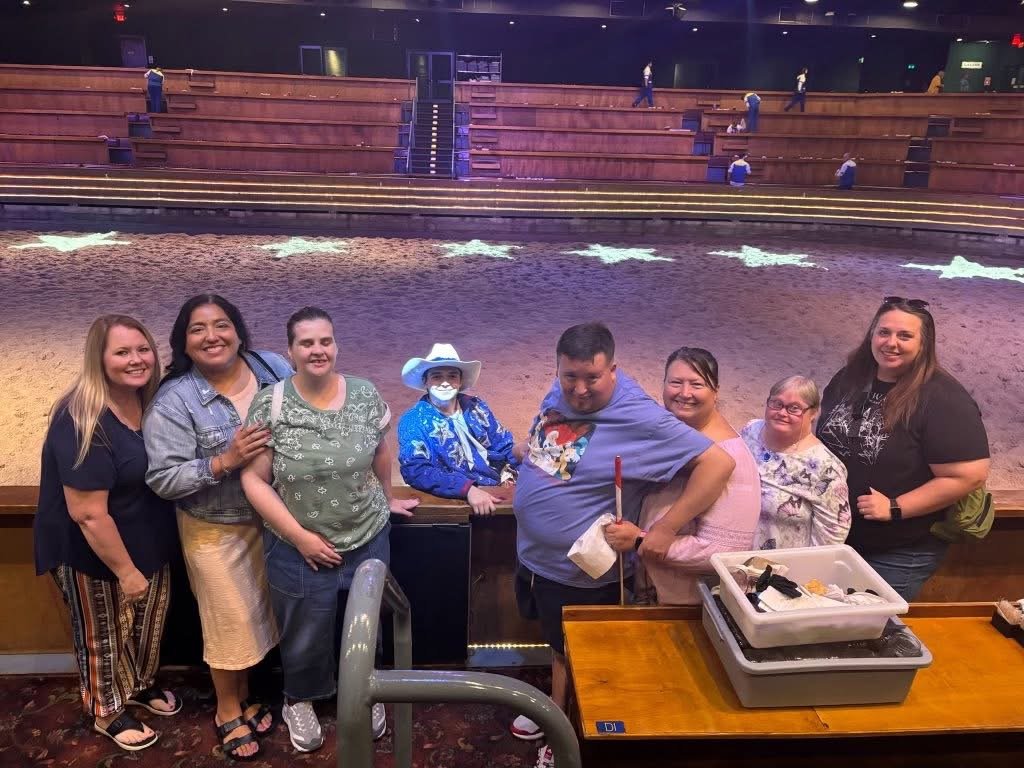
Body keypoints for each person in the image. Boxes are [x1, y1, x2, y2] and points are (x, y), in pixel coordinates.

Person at [510, 323, 735, 764]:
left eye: (591, 378)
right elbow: (556, 445)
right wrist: (526, 454)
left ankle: (565, 734)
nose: (578, 390)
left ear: (612, 369)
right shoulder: (561, 395)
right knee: (557, 646)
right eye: (568, 376)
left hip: (583, 569)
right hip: (535, 557)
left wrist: (666, 529)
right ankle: (557, 709)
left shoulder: (640, 418)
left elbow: (718, 463)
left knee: (575, 652)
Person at [241, 306, 419, 753]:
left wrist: (388, 494)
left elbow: (380, 450)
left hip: (368, 534)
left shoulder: (364, 394)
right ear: (291, 351)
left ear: (336, 345)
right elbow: (253, 480)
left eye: (325, 341)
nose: (317, 350)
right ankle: (299, 698)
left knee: (368, 622)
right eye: (307, 343)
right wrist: (300, 537)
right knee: (304, 626)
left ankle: (365, 689)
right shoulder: (272, 402)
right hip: (296, 543)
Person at [145, 294, 292, 761]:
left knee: (258, 616)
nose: (212, 336)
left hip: (276, 520)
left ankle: (247, 692)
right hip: (215, 527)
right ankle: (228, 707)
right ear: (184, 343)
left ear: (240, 331)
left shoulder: (271, 367)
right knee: (229, 621)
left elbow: (309, 412)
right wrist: (225, 460)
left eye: (222, 324)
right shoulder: (175, 400)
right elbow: (163, 478)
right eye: (198, 329)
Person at [35, 315, 179, 752]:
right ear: (99, 358)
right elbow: (88, 514)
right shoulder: (82, 417)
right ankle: (106, 709)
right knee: (104, 632)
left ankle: (138, 685)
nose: (136, 360)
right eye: (122, 352)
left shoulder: (149, 402)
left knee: (147, 624)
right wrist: (126, 571)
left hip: (148, 536)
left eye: (143, 349)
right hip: (91, 548)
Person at [816, 297, 990, 601]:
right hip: (836, 537)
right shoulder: (850, 379)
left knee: (870, 632)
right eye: (884, 332)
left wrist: (896, 507)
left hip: (897, 550)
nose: (891, 343)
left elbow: (968, 475)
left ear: (924, 344)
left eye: (905, 336)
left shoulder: (942, 398)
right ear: (872, 334)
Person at [602, 348, 760, 605]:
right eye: (676, 382)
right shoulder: (673, 438)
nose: (684, 393)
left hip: (689, 607)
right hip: (650, 594)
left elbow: (725, 552)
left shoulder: (733, 457)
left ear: (715, 391)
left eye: (696, 384)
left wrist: (640, 540)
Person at [398, 343, 518, 515]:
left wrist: (526, 467)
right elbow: (415, 469)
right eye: (437, 377)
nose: (445, 383)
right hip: (455, 496)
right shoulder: (413, 420)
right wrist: (466, 489)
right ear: (426, 381)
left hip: (496, 484)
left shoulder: (476, 407)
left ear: (460, 381)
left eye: (452, 376)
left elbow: (503, 444)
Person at [741, 376, 852, 550]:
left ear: (814, 412)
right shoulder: (751, 430)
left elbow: (832, 536)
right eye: (776, 403)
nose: (782, 413)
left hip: (781, 567)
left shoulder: (826, 467)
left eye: (794, 408)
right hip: (732, 552)